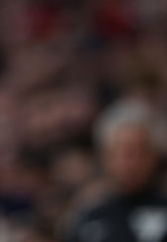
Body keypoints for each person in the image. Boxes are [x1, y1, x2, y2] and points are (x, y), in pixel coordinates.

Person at [65, 98, 167, 242]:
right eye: (119, 153)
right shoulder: (89, 218)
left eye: (136, 153)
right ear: (104, 158)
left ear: (154, 156)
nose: (128, 163)